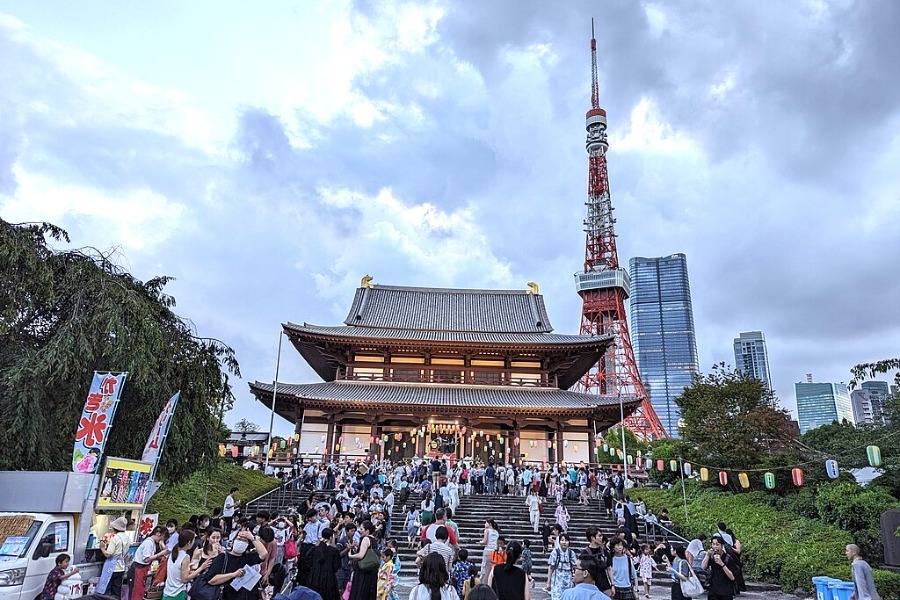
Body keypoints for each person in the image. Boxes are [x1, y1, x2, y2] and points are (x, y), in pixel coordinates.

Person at [208, 527, 270, 600]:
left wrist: (251, 537)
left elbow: (264, 554)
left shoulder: (248, 558)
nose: (241, 542)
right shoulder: (223, 557)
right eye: (239, 539)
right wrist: (233, 574)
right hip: (226, 596)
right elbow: (212, 580)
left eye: (244, 541)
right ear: (233, 541)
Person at [164, 530, 211, 600]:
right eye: (193, 541)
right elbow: (184, 579)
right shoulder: (185, 557)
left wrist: (188, 567)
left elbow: (176, 570)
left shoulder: (174, 552)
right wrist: (201, 568)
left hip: (167, 591)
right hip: (177, 593)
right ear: (189, 542)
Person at [97, 516, 131, 598]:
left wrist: (102, 548)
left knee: (106, 590)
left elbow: (108, 554)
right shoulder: (127, 538)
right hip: (121, 567)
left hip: (112, 568)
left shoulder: (115, 538)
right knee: (116, 591)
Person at [347, 521, 379, 600]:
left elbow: (361, 555)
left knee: (360, 592)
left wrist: (350, 556)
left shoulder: (366, 539)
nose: (359, 530)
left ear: (367, 530)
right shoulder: (374, 540)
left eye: (361, 529)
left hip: (363, 571)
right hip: (371, 571)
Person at [307, 528, 340, 600]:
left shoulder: (315, 549)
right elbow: (337, 566)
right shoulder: (334, 551)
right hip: (329, 579)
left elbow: (308, 562)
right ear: (331, 537)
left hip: (314, 578)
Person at [545, 533, 576, 600]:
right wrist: (548, 582)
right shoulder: (555, 552)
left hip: (568, 581)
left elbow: (575, 567)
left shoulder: (571, 553)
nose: (564, 542)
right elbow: (551, 567)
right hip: (557, 581)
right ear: (559, 542)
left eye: (566, 540)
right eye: (562, 540)